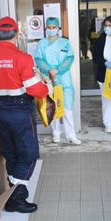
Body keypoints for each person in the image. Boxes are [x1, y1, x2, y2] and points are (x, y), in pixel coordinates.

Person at [0, 17, 48, 213]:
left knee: (10, 154)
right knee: (28, 155)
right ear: (17, 36)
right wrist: (46, 89)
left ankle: (13, 194)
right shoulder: (23, 59)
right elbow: (36, 90)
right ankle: (16, 198)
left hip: (0, 113)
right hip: (20, 113)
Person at [34, 17, 81, 145]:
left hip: (63, 79)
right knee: (52, 106)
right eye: (49, 27)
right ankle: (56, 133)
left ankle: (71, 135)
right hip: (49, 79)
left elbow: (70, 58)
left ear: (58, 28)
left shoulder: (65, 43)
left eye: (54, 27)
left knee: (67, 108)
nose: (51, 30)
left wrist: (58, 70)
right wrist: (49, 70)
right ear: (46, 29)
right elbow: (38, 59)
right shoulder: (42, 43)